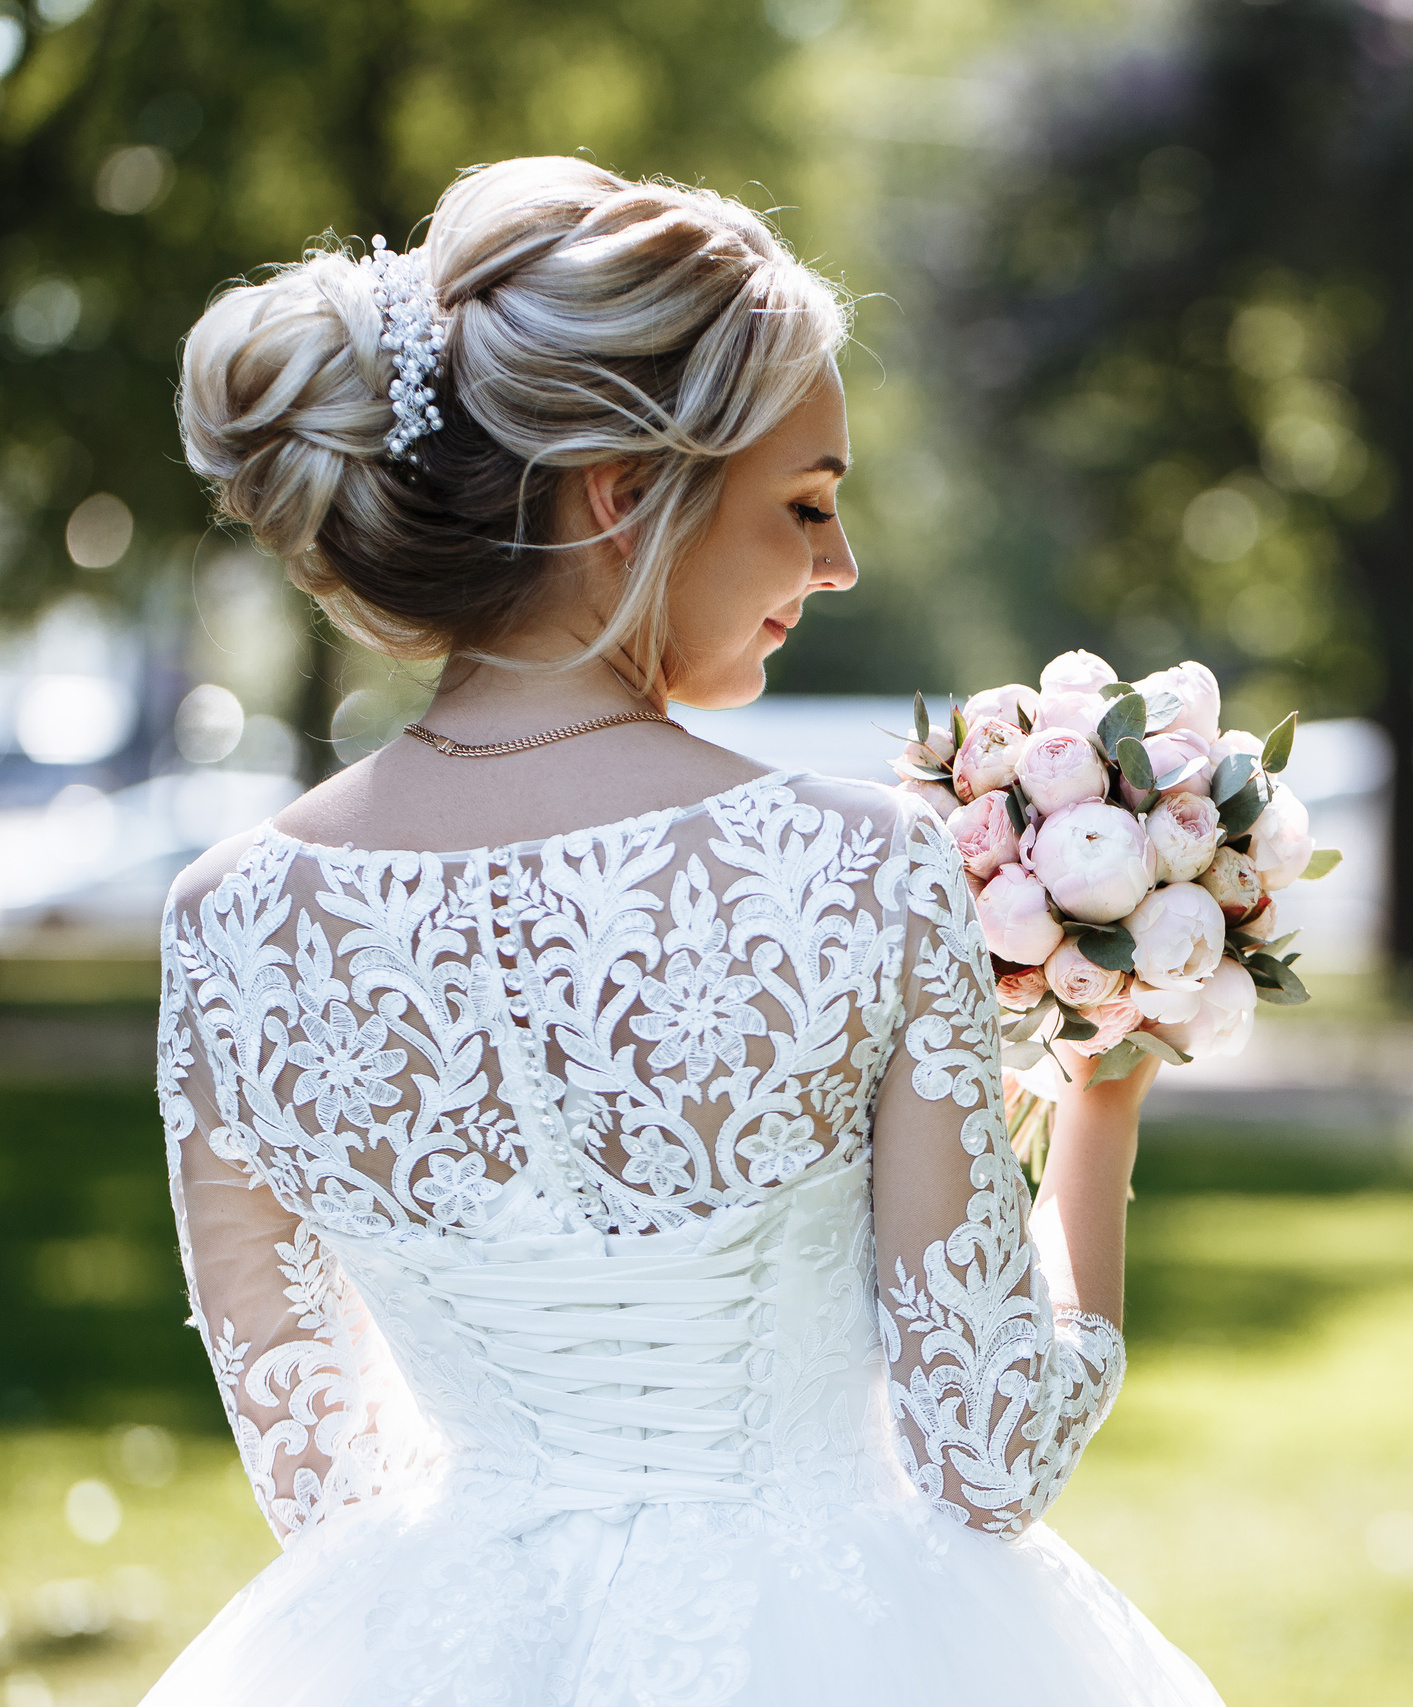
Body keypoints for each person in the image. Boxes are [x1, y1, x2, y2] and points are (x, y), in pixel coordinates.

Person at [150, 156, 1220, 1704]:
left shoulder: (231, 923)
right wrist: (1102, 1108)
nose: (837, 565)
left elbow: (322, 1485)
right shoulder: (863, 865)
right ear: (622, 493)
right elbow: (989, 1449)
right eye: (805, 505)